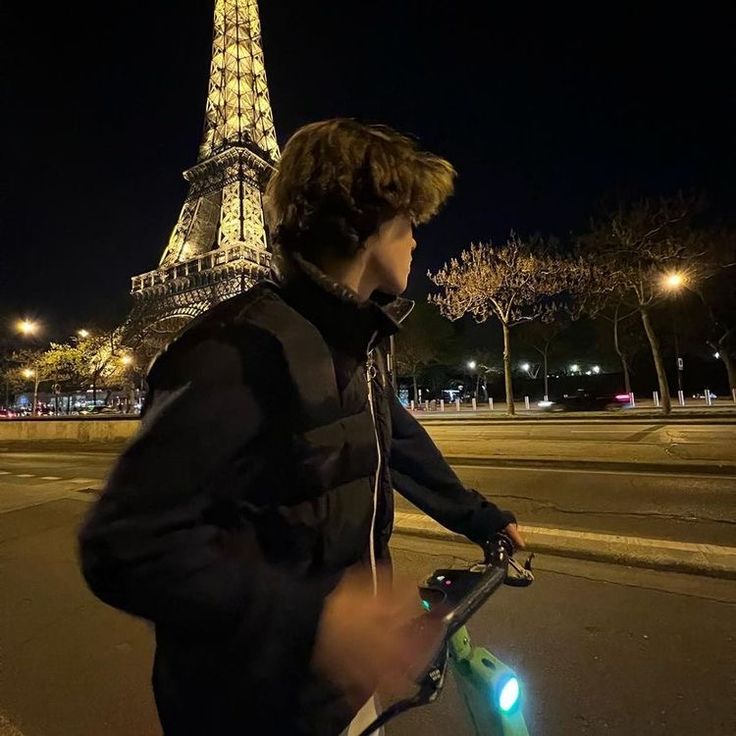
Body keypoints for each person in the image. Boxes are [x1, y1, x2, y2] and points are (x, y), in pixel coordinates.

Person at [78, 119, 524, 736]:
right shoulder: (232, 352)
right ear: (366, 226)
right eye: (409, 224)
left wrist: (480, 516)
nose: (417, 241)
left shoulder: (360, 339)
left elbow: (389, 431)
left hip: (343, 681)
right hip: (251, 702)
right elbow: (125, 547)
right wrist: (320, 621)